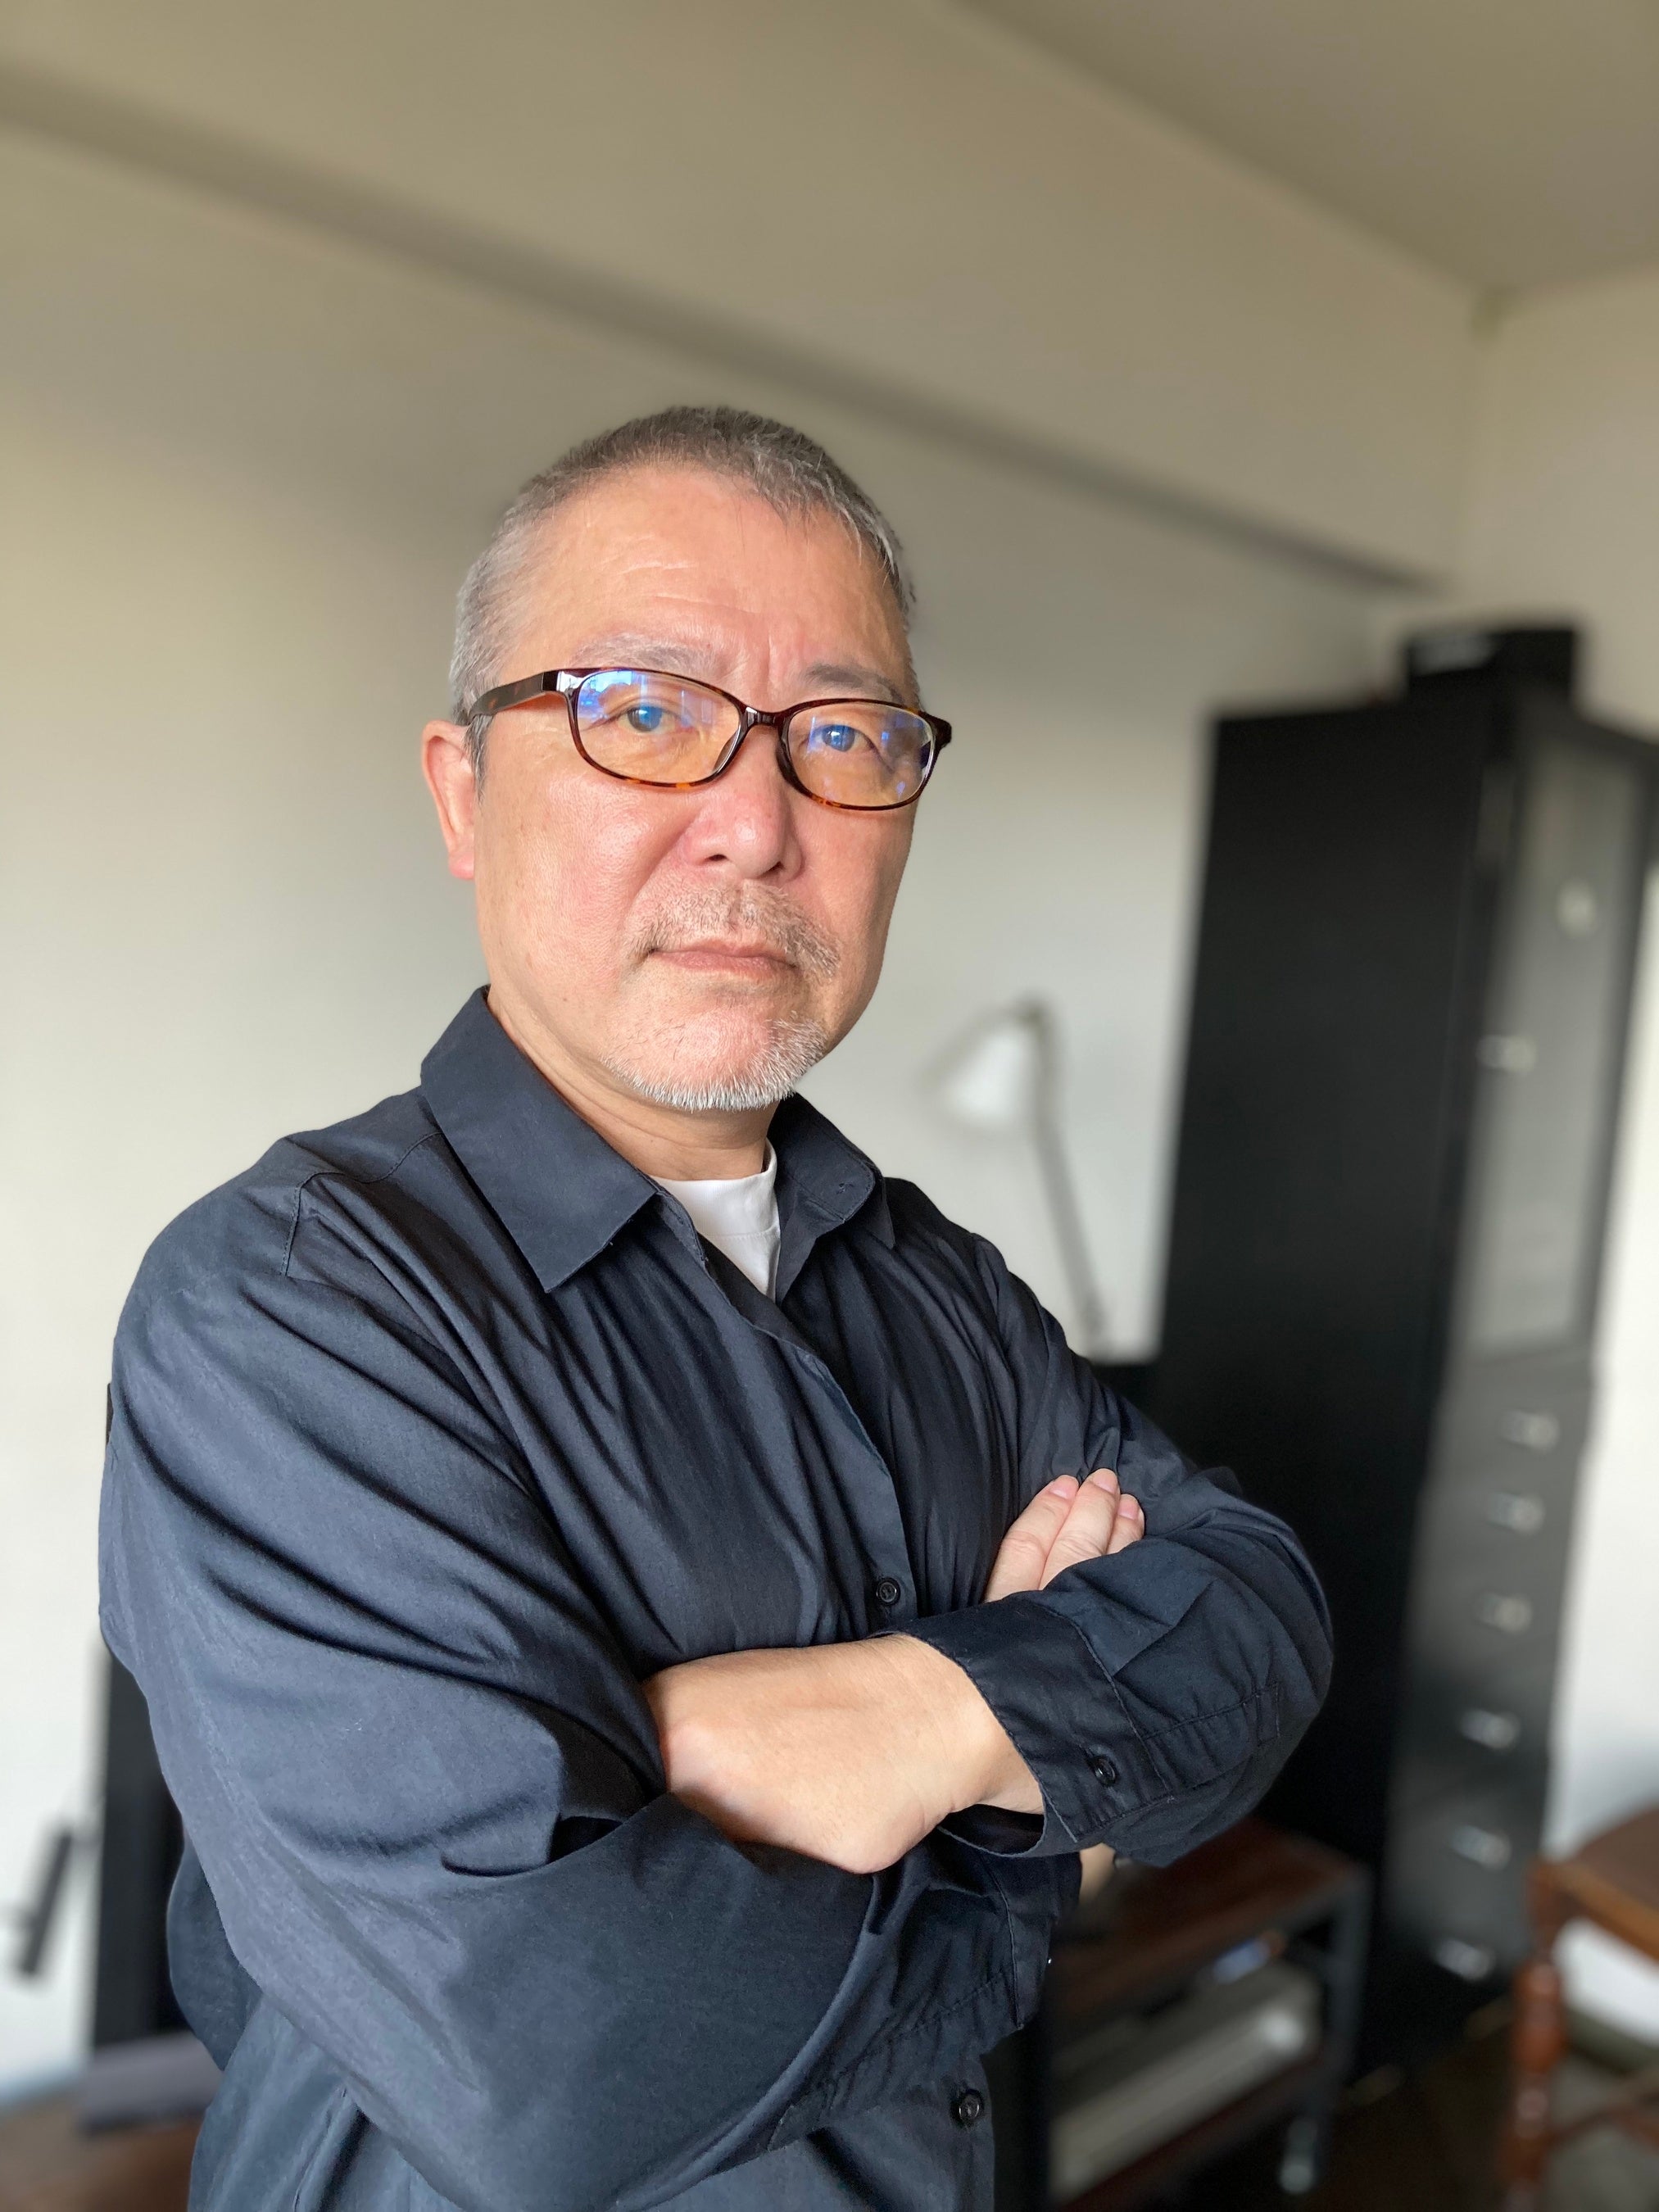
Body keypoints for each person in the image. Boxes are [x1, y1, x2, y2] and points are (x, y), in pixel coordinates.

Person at [100, 406, 1331, 2212]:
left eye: (841, 736)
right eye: (644, 712)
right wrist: (1033, 1820)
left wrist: (908, 1726)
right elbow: (554, 2069)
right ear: (463, 792)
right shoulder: (290, 1309)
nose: (754, 824)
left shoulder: (932, 1281)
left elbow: (1260, 1611)